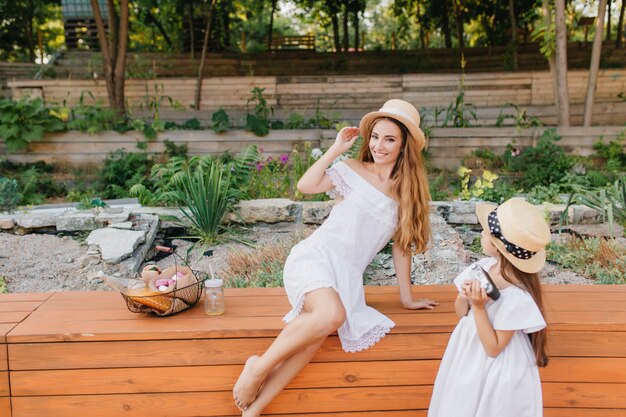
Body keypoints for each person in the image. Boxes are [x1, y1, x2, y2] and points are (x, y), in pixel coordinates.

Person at [232, 99, 438, 416]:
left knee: (317, 333)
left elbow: (402, 248)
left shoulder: (407, 193)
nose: (379, 146)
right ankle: (257, 368)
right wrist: (336, 149)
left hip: (347, 278)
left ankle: (255, 408)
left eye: (390, 139)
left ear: (404, 145)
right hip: (316, 257)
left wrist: (407, 299)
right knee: (330, 316)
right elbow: (306, 185)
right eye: (375, 136)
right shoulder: (352, 169)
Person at [428, 197, 551, 417]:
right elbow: (461, 314)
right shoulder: (483, 267)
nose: (481, 235)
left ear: (498, 246)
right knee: (462, 402)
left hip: (498, 369)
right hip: (468, 353)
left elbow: (494, 348)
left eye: (485, 232)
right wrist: (465, 297)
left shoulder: (516, 297)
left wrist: (479, 308)